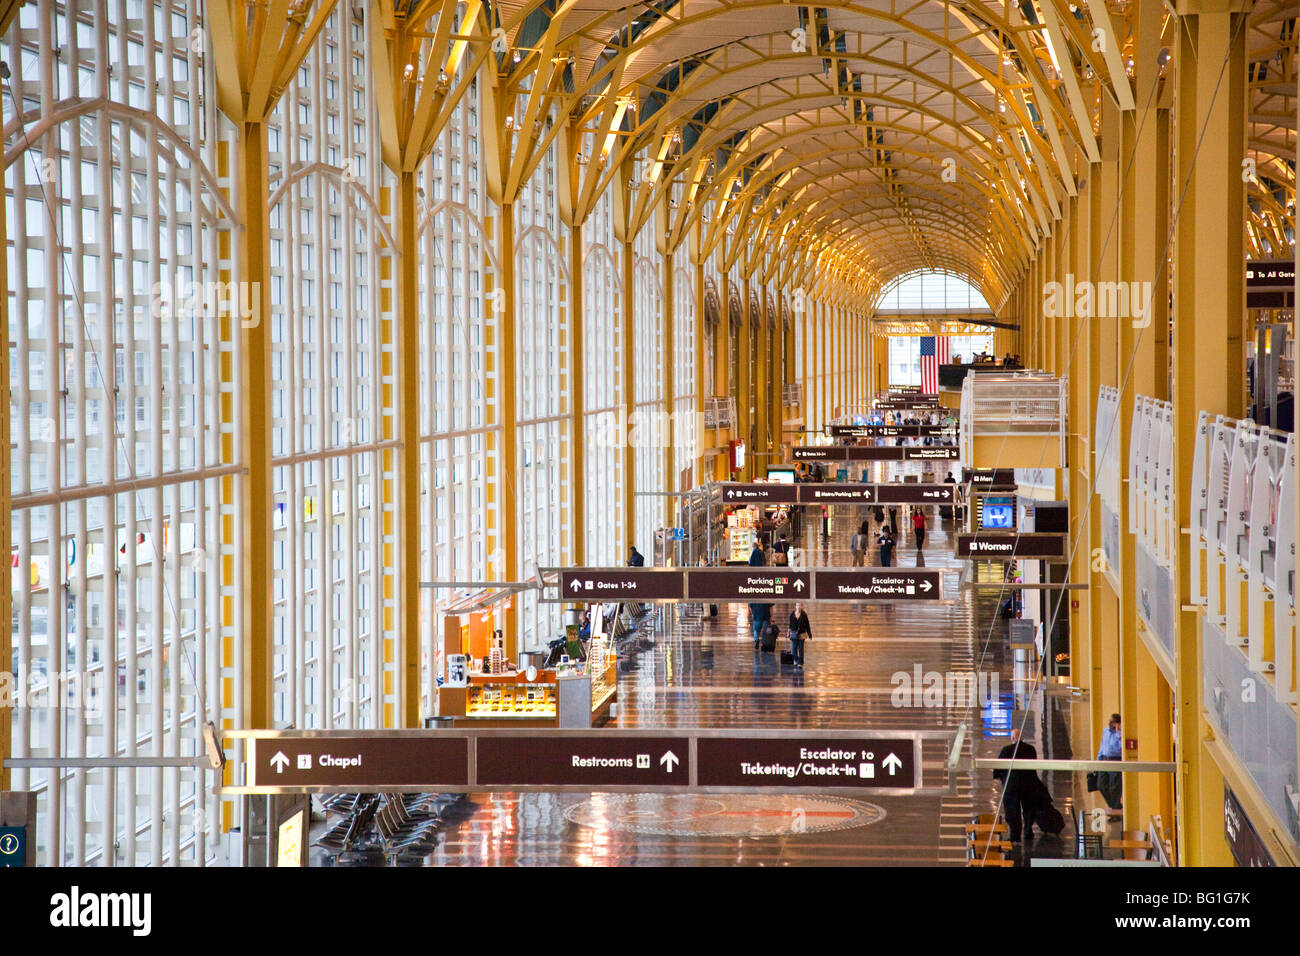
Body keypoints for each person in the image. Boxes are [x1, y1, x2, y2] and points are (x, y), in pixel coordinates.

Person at [993, 728, 1042, 843]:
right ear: (1022, 738)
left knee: (1012, 810)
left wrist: (999, 776)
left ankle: (1015, 835)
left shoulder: (1006, 750)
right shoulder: (1030, 749)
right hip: (1028, 785)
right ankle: (1028, 831)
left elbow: (997, 768)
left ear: (1012, 739)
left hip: (1011, 786)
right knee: (1028, 809)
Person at [1097, 713, 1123, 810]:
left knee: (1114, 787)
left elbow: (1121, 748)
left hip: (1115, 759)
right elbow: (1102, 745)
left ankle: (1115, 809)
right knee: (1101, 785)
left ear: (1118, 724)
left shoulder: (1120, 734)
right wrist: (1098, 759)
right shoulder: (1106, 731)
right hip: (1104, 759)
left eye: (1112, 722)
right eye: (1109, 721)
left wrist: (1118, 734)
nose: (1110, 724)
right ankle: (1114, 806)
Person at [788, 603, 811, 668]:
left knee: (801, 649)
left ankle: (800, 662)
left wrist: (809, 634)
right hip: (793, 633)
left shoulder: (804, 615)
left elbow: (807, 625)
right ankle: (795, 659)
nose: (799, 607)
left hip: (802, 633)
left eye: (800, 605)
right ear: (795, 606)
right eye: (797, 605)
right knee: (794, 648)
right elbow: (790, 624)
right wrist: (788, 632)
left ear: (802, 606)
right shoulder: (792, 614)